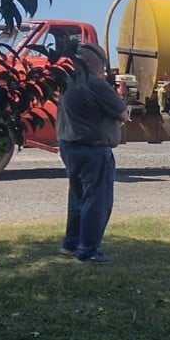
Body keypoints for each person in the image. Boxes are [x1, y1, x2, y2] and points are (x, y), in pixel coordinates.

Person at [57, 43, 129, 263]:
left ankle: (71, 244)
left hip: (69, 146)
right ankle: (87, 251)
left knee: (78, 197)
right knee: (97, 201)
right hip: (93, 149)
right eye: (101, 64)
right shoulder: (96, 84)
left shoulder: (67, 81)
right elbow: (123, 114)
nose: (104, 69)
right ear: (90, 62)